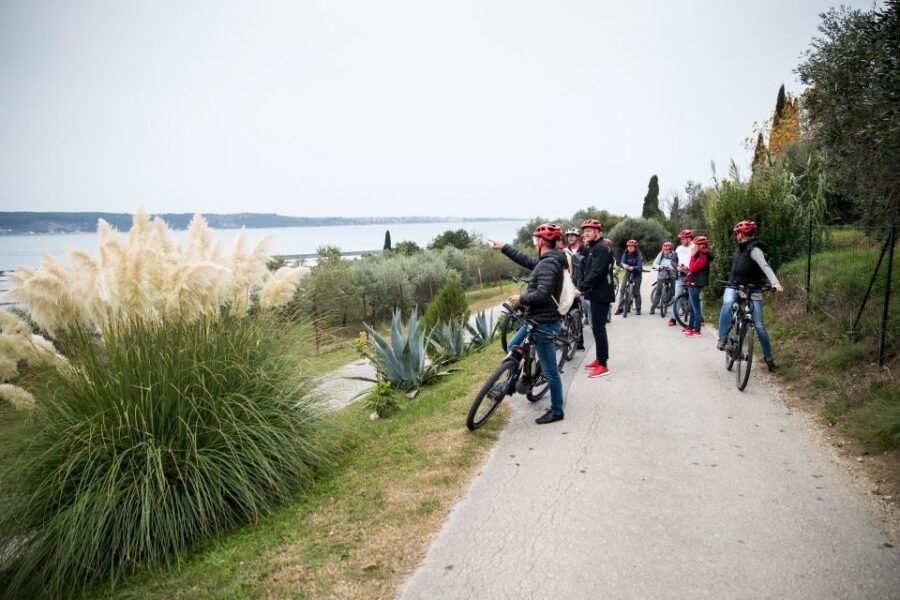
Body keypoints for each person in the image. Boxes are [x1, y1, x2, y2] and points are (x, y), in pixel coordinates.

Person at [490, 224, 567, 424]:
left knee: (551, 372)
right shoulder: (546, 261)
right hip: (534, 319)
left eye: (535, 240)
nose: (535, 244)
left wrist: (521, 299)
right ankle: (518, 381)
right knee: (512, 346)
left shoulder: (549, 265)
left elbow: (542, 294)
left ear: (541, 242)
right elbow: (526, 260)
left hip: (544, 322)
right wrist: (504, 247)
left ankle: (557, 410)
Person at [717, 220, 784, 371]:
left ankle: (769, 359)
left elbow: (765, 266)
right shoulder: (739, 248)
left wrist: (775, 283)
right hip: (733, 285)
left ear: (743, 234)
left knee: (759, 326)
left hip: (752, 289)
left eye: (738, 233)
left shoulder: (754, 249)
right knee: (727, 303)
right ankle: (723, 338)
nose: (736, 236)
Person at [577, 219, 615, 378]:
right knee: (596, 328)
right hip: (595, 293)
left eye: (589, 231)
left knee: (599, 328)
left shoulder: (602, 249)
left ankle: (603, 364)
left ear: (597, 232)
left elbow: (597, 272)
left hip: (602, 294)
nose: (586, 233)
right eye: (584, 231)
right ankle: (599, 359)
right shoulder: (593, 248)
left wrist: (582, 288)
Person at [684, 236, 713, 336]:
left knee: (696, 308)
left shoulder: (703, 256)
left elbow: (692, 268)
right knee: (692, 306)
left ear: (701, 245)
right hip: (694, 282)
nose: (693, 247)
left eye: (695, 245)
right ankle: (691, 327)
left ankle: (697, 330)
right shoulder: (700, 254)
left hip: (697, 283)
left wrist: (692, 255)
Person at [669, 229, 694, 326]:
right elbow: (673, 261)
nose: (681, 240)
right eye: (681, 239)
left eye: (683, 239)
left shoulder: (694, 247)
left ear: (689, 238)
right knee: (677, 296)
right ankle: (673, 318)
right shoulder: (679, 248)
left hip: (692, 275)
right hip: (680, 276)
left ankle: (699, 317)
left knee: (695, 298)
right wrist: (677, 267)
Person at [614, 240, 644, 315]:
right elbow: (622, 262)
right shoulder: (626, 253)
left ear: (635, 247)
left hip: (637, 274)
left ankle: (638, 308)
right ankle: (620, 308)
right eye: (628, 246)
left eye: (631, 246)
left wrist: (633, 267)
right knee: (622, 289)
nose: (629, 248)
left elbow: (639, 265)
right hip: (628, 273)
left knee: (636, 292)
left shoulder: (639, 255)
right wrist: (624, 265)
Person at [650, 241, 679, 315]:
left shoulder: (675, 254)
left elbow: (678, 263)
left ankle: (671, 303)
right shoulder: (661, 254)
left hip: (672, 273)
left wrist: (674, 267)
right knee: (658, 291)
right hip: (662, 273)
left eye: (667, 250)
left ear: (670, 249)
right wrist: (659, 266)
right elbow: (654, 263)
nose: (665, 251)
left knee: (674, 291)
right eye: (664, 250)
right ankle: (653, 307)